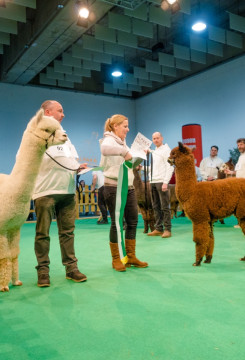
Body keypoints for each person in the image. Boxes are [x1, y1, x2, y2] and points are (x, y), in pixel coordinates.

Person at [32, 100, 87, 287]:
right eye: (60, 111)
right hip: (45, 191)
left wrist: (78, 167)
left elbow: (72, 158)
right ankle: (43, 271)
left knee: (68, 233)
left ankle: (71, 269)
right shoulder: (36, 133)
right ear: (47, 112)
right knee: (42, 234)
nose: (63, 114)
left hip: (68, 191)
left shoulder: (65, 135)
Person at [100, 114, 148, 272]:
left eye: (128, 126)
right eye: (125, 126)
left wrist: (138, 160)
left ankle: (131, 256)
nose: (128, 129)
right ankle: (116, 259)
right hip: (113, 187)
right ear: (115, 127)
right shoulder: (108, 139)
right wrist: (124, 152)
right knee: (116, 223)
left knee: (133, 221)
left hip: (129, 186)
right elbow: (104, 149)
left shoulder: (123, 142)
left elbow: (125, 162)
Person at [147, 132, 173, 238]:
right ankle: (158, 228)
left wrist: (165, 182)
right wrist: (142, 168)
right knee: (155, 206)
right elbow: (152, 168)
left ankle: (167, 229)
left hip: (161, 181)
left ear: (162, 138)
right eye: (153, 138)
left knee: (164, 206)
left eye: (157, 138)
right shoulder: (155, 152)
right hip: (153, 181)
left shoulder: (167, 150)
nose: (155, 140)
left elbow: (170, 167)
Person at [225, 138, 245, 232]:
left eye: (241, 144)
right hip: (239, 185)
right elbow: (238, 171)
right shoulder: (241, 157)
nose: (239, 147)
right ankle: (241, 222)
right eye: (238, 145)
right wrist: (230, 172)